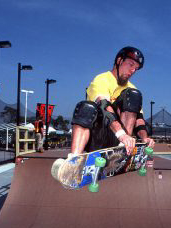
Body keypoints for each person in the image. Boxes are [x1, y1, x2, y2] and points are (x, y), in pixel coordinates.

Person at [54, 47, 155, 181]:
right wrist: (121, 134)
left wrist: (144, 139)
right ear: (119, 61)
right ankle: (74, 161)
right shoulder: (101, 80)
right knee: (86, 107)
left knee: (133, 94)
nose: (133, 70)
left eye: (136, 68)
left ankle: (123, 150)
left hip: (119, 140)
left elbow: (139, 119)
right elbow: (104, 106)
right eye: (130, 65)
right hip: (97, 137)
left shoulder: (132, 87)